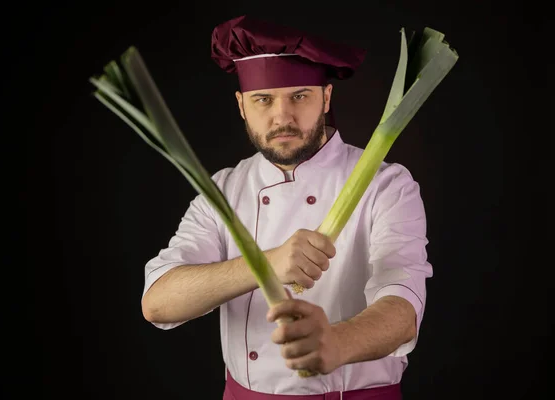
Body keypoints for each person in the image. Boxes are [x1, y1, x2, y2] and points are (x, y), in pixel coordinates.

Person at [141, 15, 433, 400]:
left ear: (326, 97)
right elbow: (158, 302)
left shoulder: (387, 184)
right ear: (242, 105)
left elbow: (402, 309)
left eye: (299, 96)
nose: (282, 117)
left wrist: (337, 342)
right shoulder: (223, 190)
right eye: (263, 100)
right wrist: (266, 264)